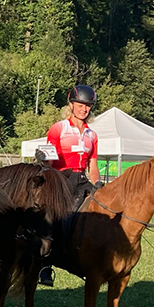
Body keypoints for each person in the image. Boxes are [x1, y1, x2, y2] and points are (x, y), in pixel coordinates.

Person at [38, 83, 101, 287]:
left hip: (82, 179)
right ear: (71, 104)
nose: (84, 109)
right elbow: (48, 159)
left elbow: (93, 164)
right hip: (61, 179)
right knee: (56, 218)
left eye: (88, 105)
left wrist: (99, 183)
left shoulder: (92, 135)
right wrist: (41, 160)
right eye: (80, 104)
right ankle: (45, 265)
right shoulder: (59, 128)